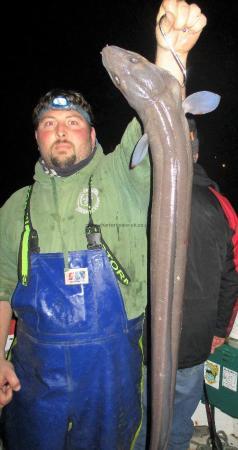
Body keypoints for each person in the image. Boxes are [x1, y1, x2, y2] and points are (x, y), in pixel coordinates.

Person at [0, 1, 207, 449]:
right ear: (35, 137)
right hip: (36, 374)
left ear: (93, 136)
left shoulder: (122, 177)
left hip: (112, 374)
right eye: (49, 124)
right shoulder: (16, 206)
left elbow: (159, 111)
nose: (60, 130)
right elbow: (1, 290)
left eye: (73, 122)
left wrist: (171, 51)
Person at [137, 117, 238, 450]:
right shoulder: (222, 208)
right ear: (195, 154)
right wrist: (221, 330)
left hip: (145, 344)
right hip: (194, 345)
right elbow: (233, 277)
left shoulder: (144, 200)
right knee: (178, 424)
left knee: (140, 423)